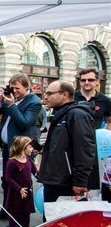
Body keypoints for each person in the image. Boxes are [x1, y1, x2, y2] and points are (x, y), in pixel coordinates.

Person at [37, 80, 96, 219]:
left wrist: (80, 181)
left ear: (64, 95)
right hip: (54, 180)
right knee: (50, 224)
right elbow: (62, 145)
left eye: (50, 93)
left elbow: (85, 150)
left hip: (66, 183)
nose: (46, 97)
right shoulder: (61, 114)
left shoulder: (77, 115)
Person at [0, 72, 42, 221]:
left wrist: (11, 105)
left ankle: (18, 219)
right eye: (12, 87)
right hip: (8, 147)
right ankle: (6, 212)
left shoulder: (34, 102)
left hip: (21, 150)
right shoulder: (10, 97)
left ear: (27, 87)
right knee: (7, 180)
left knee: (19, 184)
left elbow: (24, 123)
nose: (14, 91)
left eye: (18, 88)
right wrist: (0, 101)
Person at [74, 67, 111, 191]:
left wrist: (105, 137)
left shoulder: (105, 100)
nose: (86, 82)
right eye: (83, 80)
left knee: (91, 182)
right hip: (73, 144)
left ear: (97, 82)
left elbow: (110, 121)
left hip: (93, 147)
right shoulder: (73, 98)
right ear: (79, 82)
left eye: (90, 79)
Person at [5, 136, 37, 227]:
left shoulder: (29, 161)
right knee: (14, 210)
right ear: (24, 147)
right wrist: (19, 189)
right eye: (30, 147)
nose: (32, 149)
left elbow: (36, 173)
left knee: (26, 210)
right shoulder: (12, 162)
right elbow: (8, 178)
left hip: (27, 190)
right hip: (16, 191)